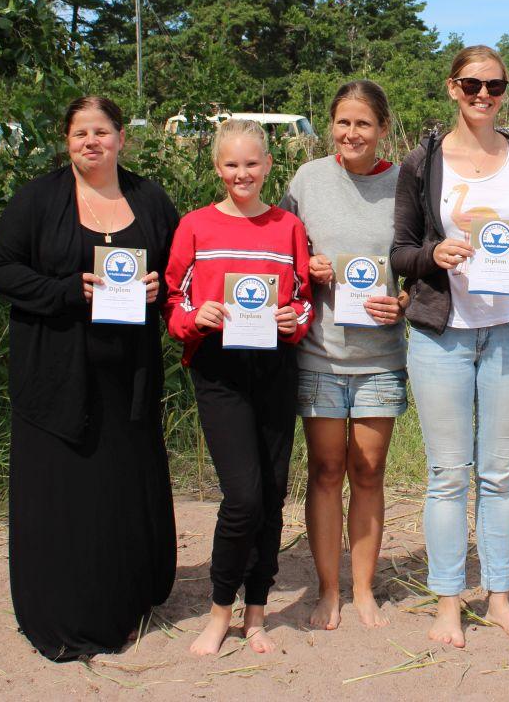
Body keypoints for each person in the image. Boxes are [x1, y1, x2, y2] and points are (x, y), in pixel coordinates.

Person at [0, 95, 178, 661]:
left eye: (101, 131)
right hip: (56, 374)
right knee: (64, 495)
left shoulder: (148, 197)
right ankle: (64, 613)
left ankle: (125, 601)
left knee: (118, 489)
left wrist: (159, 287)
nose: (90, 142)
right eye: (79, 134)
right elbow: (2, 271)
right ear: (66, 141)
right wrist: (69, 290)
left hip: (128, 376)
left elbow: (179, 268)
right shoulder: (38, 200)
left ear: (122, 137)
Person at [391, 45, 509, 648]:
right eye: (471, 84)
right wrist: (432, 255)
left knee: (500, 474)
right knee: (446, 474)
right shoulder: (422, 161)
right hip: (442, 334)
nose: (483, 95)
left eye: (494, 86)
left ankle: (501, 599)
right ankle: (446, 602)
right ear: (451, 88)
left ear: (505, 90)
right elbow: (400, 252)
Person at [165, 119, 313, 657]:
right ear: (217, 168)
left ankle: (256, 612)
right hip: (220, 371)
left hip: (274, 369)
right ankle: (218, 611)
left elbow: (303, 300)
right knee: (243, 496)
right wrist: (195, 317)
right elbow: (172, 301)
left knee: (272, 493)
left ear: (269, 166)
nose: (242, 173)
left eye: (252, 163)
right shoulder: (195, 226)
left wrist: (290, 320)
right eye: (232, 164)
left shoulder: (287, 228)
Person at [281, 81, 408, 631]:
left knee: (369, 469)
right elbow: (280, 248)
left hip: (380, 356)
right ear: (330, 125)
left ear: (383, 128)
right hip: (321, 355)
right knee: (328, 470)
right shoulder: (307, 180)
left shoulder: (407, 183)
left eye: (363, 123)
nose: (351, 133)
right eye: (342, 122)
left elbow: (418, 261)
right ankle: (329, 590)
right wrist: (308, 264)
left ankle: (363, 590)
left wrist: (403, 301)